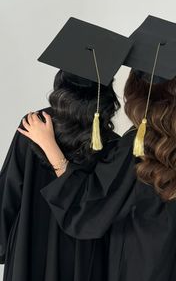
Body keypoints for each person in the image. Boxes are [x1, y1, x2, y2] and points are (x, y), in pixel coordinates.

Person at [23, 16, 176, 281]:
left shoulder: (138, 144)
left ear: (135, 88)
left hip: (146, 266)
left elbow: (89, 208)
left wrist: (51, 148)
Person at [0, 17, 132, 281]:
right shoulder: (113, 144)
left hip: (30, 249)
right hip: (84, 259)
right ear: (105, 91)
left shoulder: (33, 126)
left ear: (61, 81)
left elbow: (9, 191)